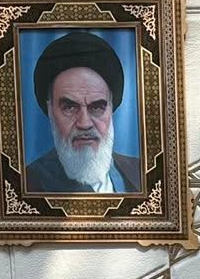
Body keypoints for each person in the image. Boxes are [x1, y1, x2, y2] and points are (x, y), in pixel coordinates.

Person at [22, 30, 144, 195]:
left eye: (97, 107)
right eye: (70, 107)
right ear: (50, 111)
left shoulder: (140, 171)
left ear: (111, 108)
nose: (85, 123)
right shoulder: (27, 184)